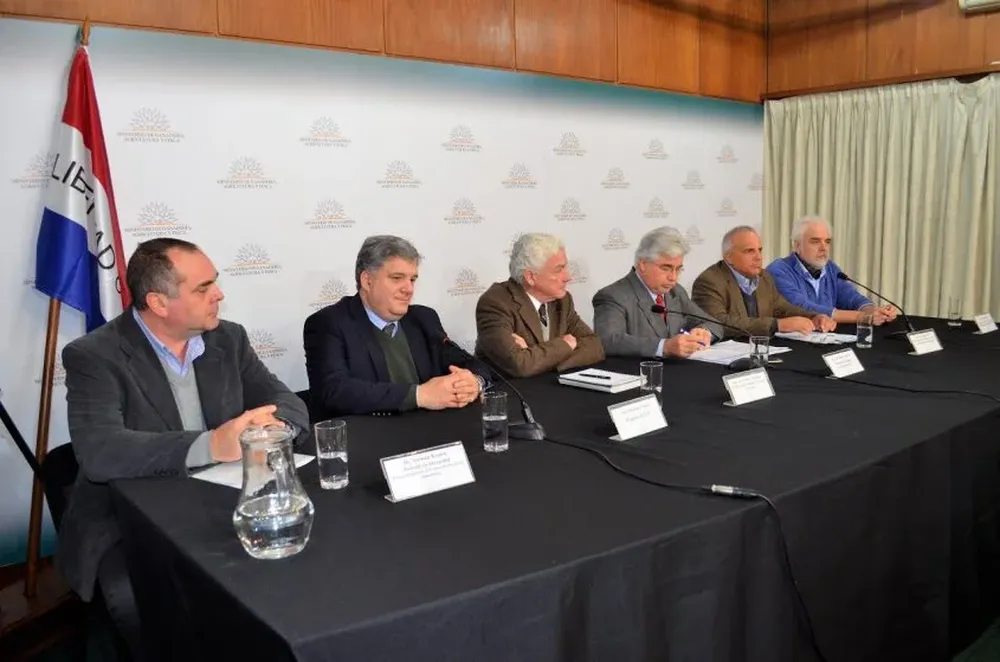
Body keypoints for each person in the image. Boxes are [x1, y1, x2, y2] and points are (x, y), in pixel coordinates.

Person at [60, 238, 309, 660]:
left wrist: (271, 429)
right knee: (148, 611)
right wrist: (212, 444)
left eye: (216, 283)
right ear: (158, 302)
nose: (219, 295)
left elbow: (290, 405)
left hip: (222, 503)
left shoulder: (228, 339)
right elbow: (99, 452)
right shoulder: (94, 356)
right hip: (129, 522)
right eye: (203, 288)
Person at [304, 235, 489, 417]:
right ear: (367, 280)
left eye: (412, 279)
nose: (408, 289)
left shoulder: (423, 318)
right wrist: (419, 395)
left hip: (429, 433)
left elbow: (471, 363)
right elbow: (334, 391)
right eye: (397, 278)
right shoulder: (329, 324)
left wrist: (474, 381)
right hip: (368, 439)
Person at [475, 232, 604, 377]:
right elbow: (520, 365)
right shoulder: (496, 303)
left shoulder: (563, 301)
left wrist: (538, 356)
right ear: (530, 277)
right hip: (511, 393)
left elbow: (595, 346)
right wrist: (565, 345)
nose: (568, 277)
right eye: (558, 269)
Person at [593, 226, 722, 359]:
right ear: (643, 264)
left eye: (678, 269)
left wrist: (704, 332)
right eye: (666, 268)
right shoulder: (613, 296)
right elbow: (607, 341)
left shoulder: (675, 291)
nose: (673, 277)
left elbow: (714, 324)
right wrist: (664, 347)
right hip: (639, 374)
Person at [691, 226, 837, 337]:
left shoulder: (764, 277)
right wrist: (777, 325)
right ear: (728, 257)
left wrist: (813, 316)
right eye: (749, 251)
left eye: (759, 250)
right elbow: (718, 322)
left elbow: (782, 308)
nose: (758, 257)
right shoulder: (709, 281)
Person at [767, 216, 898, 325]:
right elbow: (803, 307)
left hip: (828, 339)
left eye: (827, 241)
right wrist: (862, 317)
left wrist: (874, 311)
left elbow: (851, 297)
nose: (824, 248)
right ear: (797, 245)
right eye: (815, 241)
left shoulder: (830, 268)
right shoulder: (778, 270)